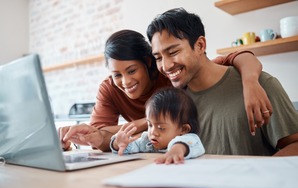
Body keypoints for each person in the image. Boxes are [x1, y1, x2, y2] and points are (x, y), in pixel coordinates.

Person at [60, 29, 271, 152]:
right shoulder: (109, 87)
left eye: (132, 70)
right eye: (117, 74)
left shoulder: (172, 74)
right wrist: (147, 124)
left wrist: (251, 82)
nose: (125, 81)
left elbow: (236, 56)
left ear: (148, 63)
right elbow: (100, 136)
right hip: (146, 154)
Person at [146, 7, 298, 156]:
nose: (165, 66)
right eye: (158, 58)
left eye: (173, 52)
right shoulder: (175, 102)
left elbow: (294, 145)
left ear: (200, 45)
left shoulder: (261, 85)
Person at [110, 87, 205, 164]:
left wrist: (177, 150)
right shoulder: (147, 141)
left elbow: (187, 144)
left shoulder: (190, 139)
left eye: (161, 128)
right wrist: (118, 143)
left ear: (183, 129)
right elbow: (129, 148)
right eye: (150, 125)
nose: (153, 132)